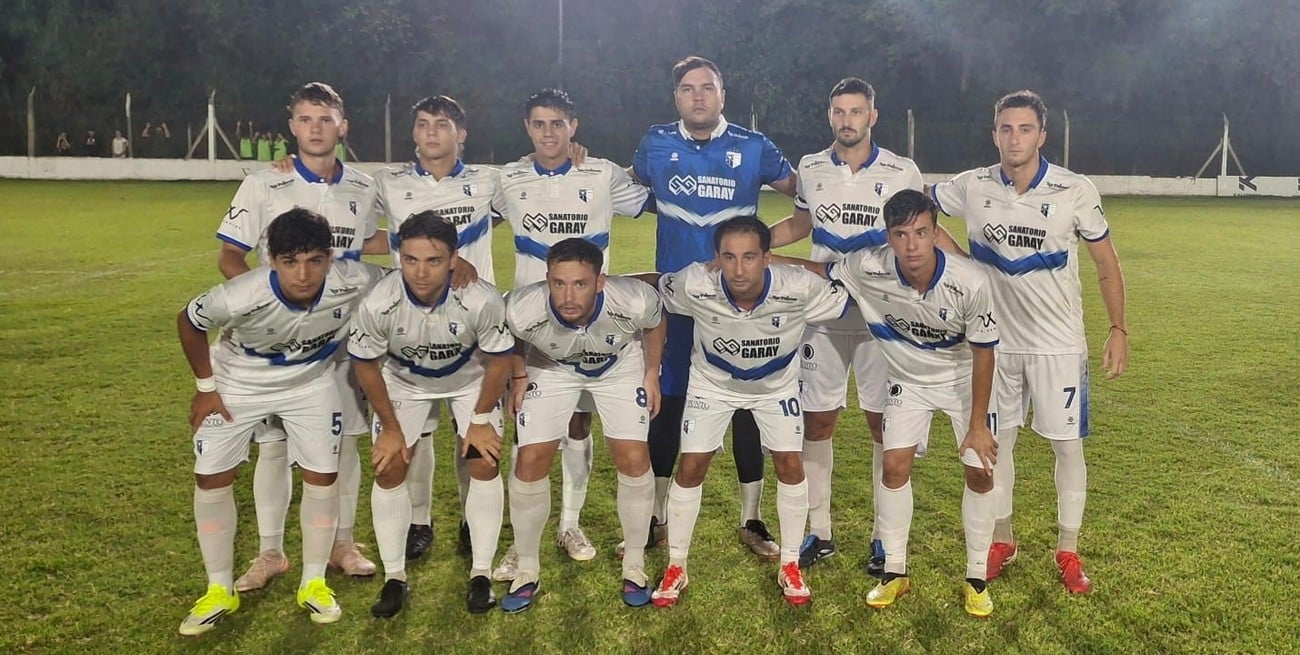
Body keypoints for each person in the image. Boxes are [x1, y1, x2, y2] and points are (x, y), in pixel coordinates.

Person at [929, 90, 1128, 594]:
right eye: (1005, 129)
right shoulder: (971, 186)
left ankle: (1068, 548)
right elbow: (918, 211)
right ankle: (1003, 540)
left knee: (1067, 447)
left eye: (1024, 129)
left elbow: (1107, 263)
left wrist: (1118, 329)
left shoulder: (1074, 189)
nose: (1013, 138)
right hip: (993, 345)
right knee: (998, 446)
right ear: (994, 133)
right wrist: (961, 262)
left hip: (1058, 345)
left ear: (1042, 135)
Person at [779, 190, 1001, 617]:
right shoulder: (869, 266)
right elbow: (824, 271)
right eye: (901, 235)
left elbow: (984, 353)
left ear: (936, 232)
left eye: (921, 233)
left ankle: (975, 578)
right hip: (908, 383)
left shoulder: (970, 281)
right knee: (895, 466)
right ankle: (895, 572)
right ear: (888, 237)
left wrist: (977, 424)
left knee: (979, 472)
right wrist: (772, 259)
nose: (912, 245)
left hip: (962, 381)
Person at [176, 208, 383, 635]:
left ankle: (314, 582)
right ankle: (218, 589)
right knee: (212, 478)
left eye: (313, 261)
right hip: (237, 383)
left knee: (322, 477)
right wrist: (204, 387)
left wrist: (457, 267)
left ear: (330, 257)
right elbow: (188, 320)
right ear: (271, 259)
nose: (303, 274)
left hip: (310, 383)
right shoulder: (240, 294)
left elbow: (404, 279)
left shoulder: (356, 279)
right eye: (290, 262)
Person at [215, 81, 388, 593]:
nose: (316, 128)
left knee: (347, 443)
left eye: (325, 118)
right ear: (292, 126)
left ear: (343, 126)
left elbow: (374, 240)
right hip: (276, 343)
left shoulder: (362, 186)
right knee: (272, 445)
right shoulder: (265, 184)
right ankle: (271, 551)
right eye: (306, 119)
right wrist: (264, 306)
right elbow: (230, 254)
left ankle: (342, 543)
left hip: (340, 342)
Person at [631, 56, 799, 560]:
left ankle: (752, 518)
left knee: (747, 405)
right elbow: (623, 190)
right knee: (670, 404)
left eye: (707, 88)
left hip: (739, 301)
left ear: (722, 94)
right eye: (688, 88)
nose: (698, 96)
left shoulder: (753, 146)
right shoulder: (655, 143)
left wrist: (770, 246)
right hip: (678, 303)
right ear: (676, 97)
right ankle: (658, 517)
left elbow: (807, 197)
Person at [646, 216, 847, 608]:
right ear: (716, 258)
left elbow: (848, 297)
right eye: (729, 257)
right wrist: (605, 279)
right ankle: (677, 565)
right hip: (712, 385)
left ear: (768, 257)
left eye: (750, 257)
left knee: (791, 465)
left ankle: (790, 564)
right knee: (691, 467)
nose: (739, 269)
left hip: (775, 389)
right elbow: (655, 285)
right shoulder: (694, 283)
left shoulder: (799, 287)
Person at [490, 88, 650, 575]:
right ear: (527, 128)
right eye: (539, 124)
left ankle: (570, 522)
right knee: (530, 438)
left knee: (579, 427)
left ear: (572, 127)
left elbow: (649, 195)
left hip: (594, 329)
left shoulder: (601, 174)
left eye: (557, 123)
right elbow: (468, 217)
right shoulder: (508, 179)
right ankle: (524, 542)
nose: (548, 133)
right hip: (533, 337)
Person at [767, 77, 924, 573]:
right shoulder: (811, 168)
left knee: (883, 424)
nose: (847, 120)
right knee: (818, 420)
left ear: (872, 116)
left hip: (883, 315)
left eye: (856, 112)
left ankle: (883, 538)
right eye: (838, 112)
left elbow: (921, 236)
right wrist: (753, 243)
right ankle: (820, 532)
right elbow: (801, 224)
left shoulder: (903, 170)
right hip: (825, 315)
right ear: (830, 115)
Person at [349, 212, 514, 617]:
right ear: (399, 257)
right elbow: (366, 365)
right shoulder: (379, 302)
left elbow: (499, 361)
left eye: (433, 261)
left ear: (454, 259)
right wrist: (389, 428)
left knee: (483, 463)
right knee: (388, 468)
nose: (420, 272)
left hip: (469, 381)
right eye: (410, 260)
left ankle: (480, 575)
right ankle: (394, 579)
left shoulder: (480, 298)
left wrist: (478, 421)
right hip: (404, 383)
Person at [370, 94, 503, 561]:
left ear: (460, 134)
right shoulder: (388, 183)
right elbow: (357, 229)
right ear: (414, 133)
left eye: (442, 124)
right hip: (409, 328)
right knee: (418, 433)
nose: (432, 133)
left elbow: (537, 187)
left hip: (473, 329)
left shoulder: (490, 181)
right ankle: (419, 521)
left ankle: (472, 520)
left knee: (473, 431)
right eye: (423, 124)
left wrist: (572, 152)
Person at [500, 238, 665, 612]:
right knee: (530, 461)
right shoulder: (523, 308)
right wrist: (521, 375)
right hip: (552, 366)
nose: (568, 295)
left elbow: (655, 323)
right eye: (558, 283)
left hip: (618, 366)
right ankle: (527, 570)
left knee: (634, 457)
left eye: (580, 284)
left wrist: (651, 373)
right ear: (547, 280)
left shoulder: (635, 299)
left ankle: (635, 565)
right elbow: (509, 336)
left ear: (601, 282)